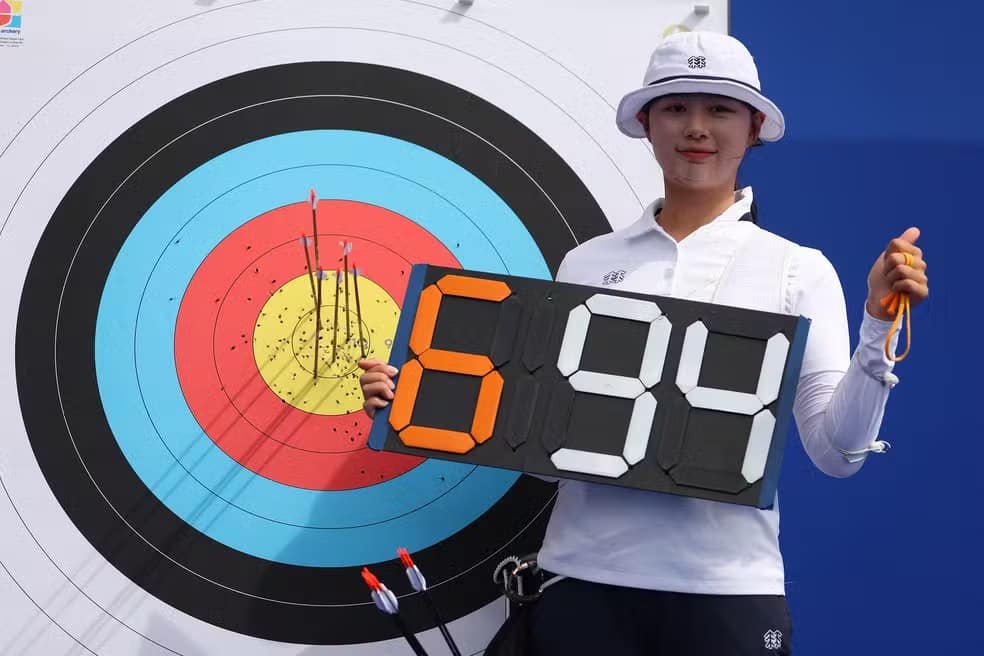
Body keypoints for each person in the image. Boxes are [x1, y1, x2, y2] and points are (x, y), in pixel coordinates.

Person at [359, 31, 929, 655]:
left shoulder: (798, 270)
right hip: (582, 586)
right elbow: (543, 450)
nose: (697, 127)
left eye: (720, 109)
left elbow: (838, 454)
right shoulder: (585, 263)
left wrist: (878, 324)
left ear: (753, 127)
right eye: (676, 107)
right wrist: (420, 395)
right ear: (647, 124)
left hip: (728, 594)